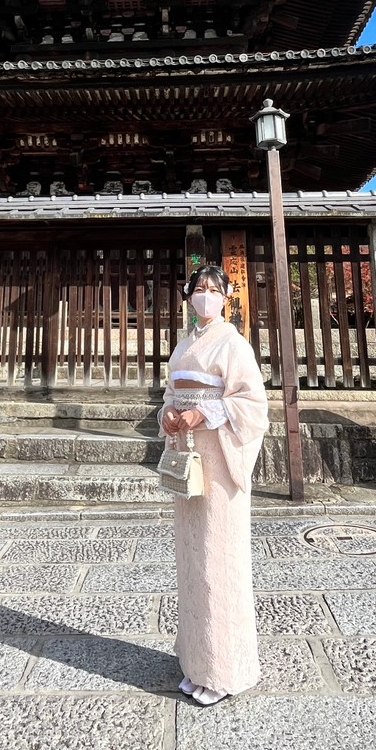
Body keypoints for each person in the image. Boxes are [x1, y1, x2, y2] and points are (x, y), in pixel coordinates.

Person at [159, 263, 269, 705]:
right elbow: (171, 393)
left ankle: (225, 669)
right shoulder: (184, 346)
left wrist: (204, 413)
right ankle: (195, 658)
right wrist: (168, 415)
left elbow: (252, 404)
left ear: (225, 297)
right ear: (188, 297)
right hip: (190, 459)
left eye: (213, 289)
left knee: (218, 560)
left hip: (220, 461)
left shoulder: (234, 345)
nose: (205, 295)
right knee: (193, 561)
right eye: (198, 289)